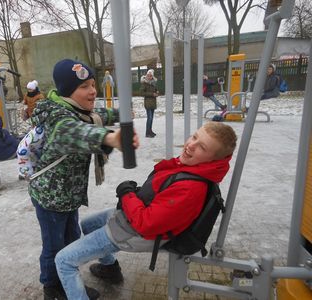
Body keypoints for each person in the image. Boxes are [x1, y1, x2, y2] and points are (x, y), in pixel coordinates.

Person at [54, 121, 237, 300]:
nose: (190, 145)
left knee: (64, 261)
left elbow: (145, 224)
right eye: (194, 137)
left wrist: (127, 195)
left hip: (135, 233)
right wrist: (133, 195)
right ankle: (111, 269)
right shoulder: (192, 167)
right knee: (88, 224)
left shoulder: (190, 188)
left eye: (202, 147)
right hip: (132, 217)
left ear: (214, 159)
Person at [28, 58, 139, 300]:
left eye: (92, 84)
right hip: (50, 197)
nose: (92, 91)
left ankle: (66, 277)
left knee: (71, 239)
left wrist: (121, 113)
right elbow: (74, 131)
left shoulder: (77, 111)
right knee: (53, 246)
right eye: (84, 87)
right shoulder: (57, 117)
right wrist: (109, 139)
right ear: (69, 91)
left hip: (68, 194)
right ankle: (52, 288)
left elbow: (97, 115)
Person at [140, 69, 158, 138]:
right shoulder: (144, 83)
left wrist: (157, 92)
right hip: (147, 103)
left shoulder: (153, 83)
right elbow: (141, 93)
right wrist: (152, 94)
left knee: (151, 118)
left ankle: (150, 131)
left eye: (150, 76)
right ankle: (147, 133)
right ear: (146, 76)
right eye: (148, 75)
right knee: (149, 118)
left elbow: (155, 90)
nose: (149, 77)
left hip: (153, 103)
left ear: (152, 76)